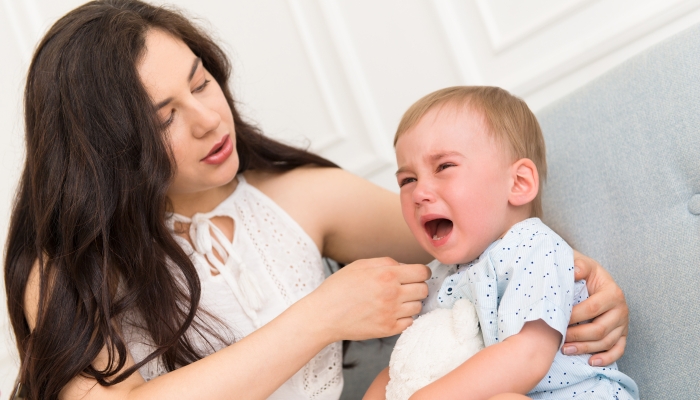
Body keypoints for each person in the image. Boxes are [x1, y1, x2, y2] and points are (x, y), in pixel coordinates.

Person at [3, 2, 629, 400]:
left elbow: (477, 232)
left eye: (202, 81)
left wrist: (585, 279)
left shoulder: (299, 197)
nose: (208, 118)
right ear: (107, 150)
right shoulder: (66, 270)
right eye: (164, 119)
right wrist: (322, 316)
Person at [364, 86, 638, 400]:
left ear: (518, 183)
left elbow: (527, 356)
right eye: (407, 180)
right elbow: (404, 368)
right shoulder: (434, 278)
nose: (419, 192)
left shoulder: (534, 249)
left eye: (444, 167)